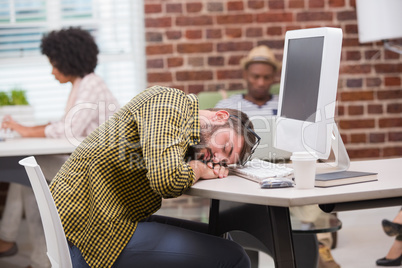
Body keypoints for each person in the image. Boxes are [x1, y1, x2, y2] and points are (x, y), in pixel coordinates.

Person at [49, 85, 256, 268]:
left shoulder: (184, 135)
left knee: (220, 238)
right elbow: (167, 180)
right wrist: (199, 169)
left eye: (223, 162)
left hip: (99, 217)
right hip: (94, 230)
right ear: (219, 117)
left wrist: (201, 163)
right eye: (225, 146)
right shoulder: (170, 104)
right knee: (235, 257)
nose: (217, 158)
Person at [0, 27, 119, 268]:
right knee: (28, 174)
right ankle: (34, 256)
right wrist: (24, 128)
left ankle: (9, 241)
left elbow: (68, 130)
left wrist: (24, 130)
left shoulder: (91, 84)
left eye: (54, 64)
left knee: (24, 169)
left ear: (68, 60)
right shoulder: (81, 86)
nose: (52, 71)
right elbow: (64, 125)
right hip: (90, 164)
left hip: (103, 172)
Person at [215, 45, 341, 268]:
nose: (261, 82)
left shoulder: (288, 103)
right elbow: (215, 142)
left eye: (266, 77)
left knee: (314, 199)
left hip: (286, 166)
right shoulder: (227, 106)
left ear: (274, 77)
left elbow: (308, 138)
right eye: (255, 76)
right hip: (244, 169)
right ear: (246, 75)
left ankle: (320, 249)